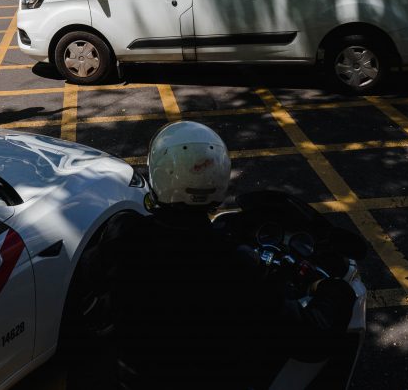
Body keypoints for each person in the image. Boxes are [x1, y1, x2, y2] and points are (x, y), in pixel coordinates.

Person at [84, 122, 358, 390]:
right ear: (220, 178)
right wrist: (333, 290)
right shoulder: (234, 264)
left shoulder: (123, 233)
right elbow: (310, 341)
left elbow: (90, 283)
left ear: (158, 172)